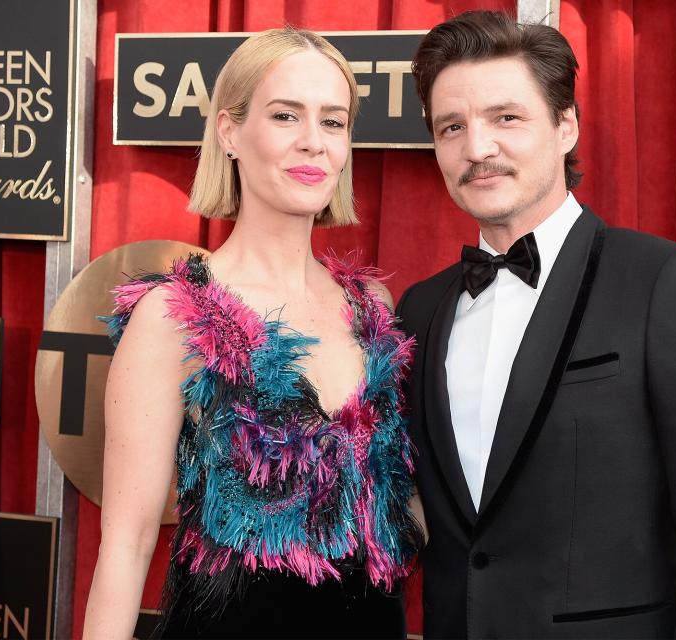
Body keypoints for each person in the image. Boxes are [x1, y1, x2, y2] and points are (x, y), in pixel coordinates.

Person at [396, 11, 676, 639]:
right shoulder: (420, 308)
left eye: (506, 118)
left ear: (566, 125)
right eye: (452, 127)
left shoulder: (664, 283)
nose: (477, 148)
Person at [83, 27, 423, 640]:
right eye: (285, 115)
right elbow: (126, 549)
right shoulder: (174, 314)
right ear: (230, 131)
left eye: (334, 121)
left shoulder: (373, 307)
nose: (313, 143)